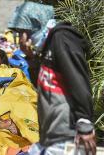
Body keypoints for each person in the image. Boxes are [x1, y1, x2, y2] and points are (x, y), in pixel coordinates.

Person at [20, 22, 96, 155]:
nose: (21, 38)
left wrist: (84, 124)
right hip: (51, 133)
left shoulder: (63, 39)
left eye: (23, 33)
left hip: (65, 132)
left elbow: (78, 80)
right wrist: (31, 57)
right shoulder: (49, 45)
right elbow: (42, 82)